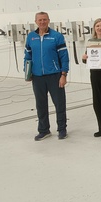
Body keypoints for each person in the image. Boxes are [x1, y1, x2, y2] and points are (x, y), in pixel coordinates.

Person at [24, 11, 69, 141]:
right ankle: (44, 130)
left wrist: (64, 74)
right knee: (41, 104)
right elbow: (27, 56)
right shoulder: (31, 37)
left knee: (59, 104)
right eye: (40, 20)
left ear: (48, 20)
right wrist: (27, 72)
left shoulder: (56, 36)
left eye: (44, 19)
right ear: (36, 22)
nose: (42, 22)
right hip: (37, 76)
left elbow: (64, 56)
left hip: (54, 75)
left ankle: (62, 129)